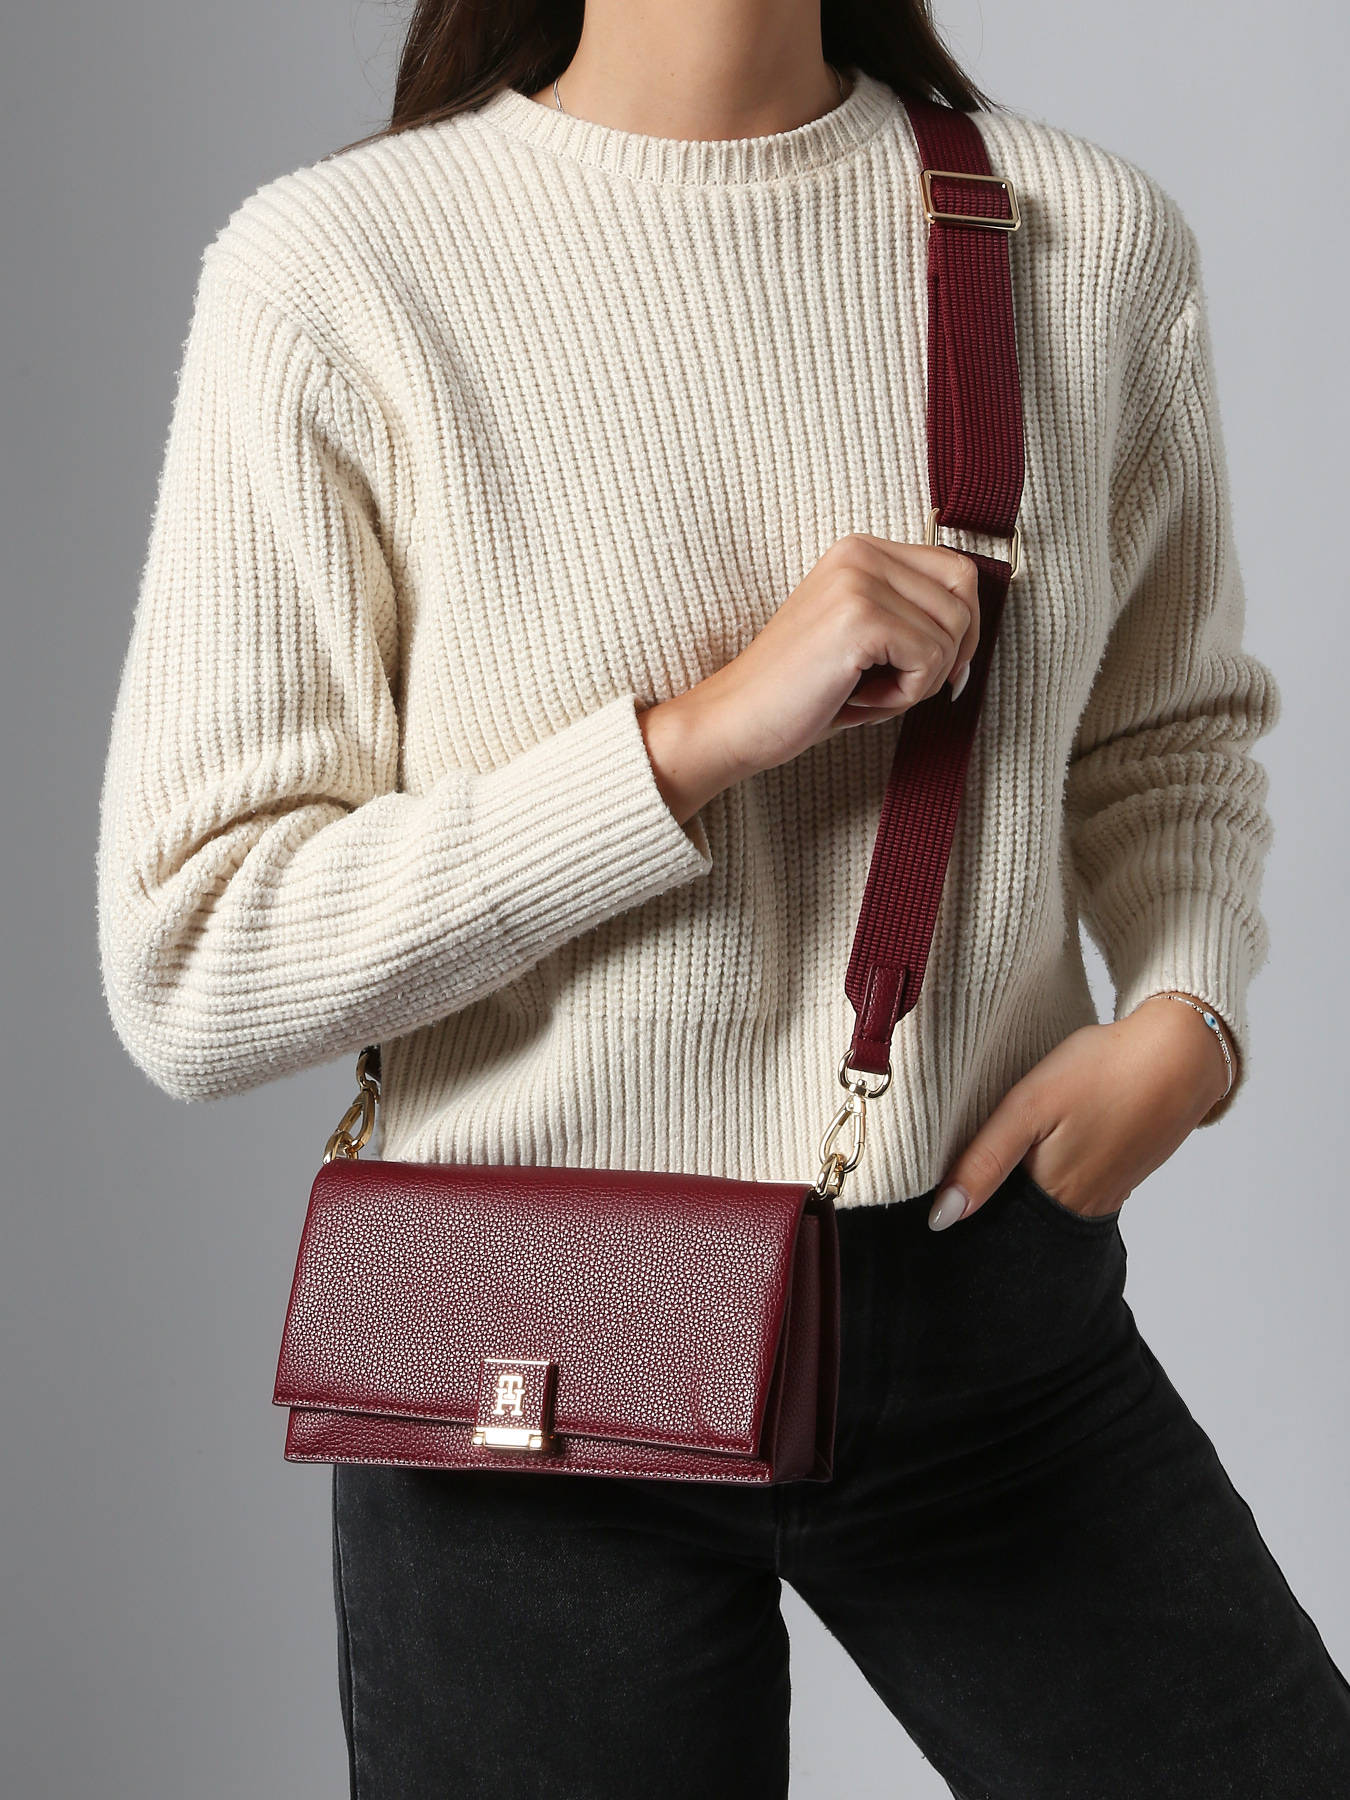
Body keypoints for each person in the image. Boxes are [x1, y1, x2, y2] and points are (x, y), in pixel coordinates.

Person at [95, 4, 1350, 1795]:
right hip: (528, 1350)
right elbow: (196, 957)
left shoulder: (1078, 241)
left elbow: (1166, 735)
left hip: (979, 1301)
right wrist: (690, 743)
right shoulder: (339, 273)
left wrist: (1187, 1014)